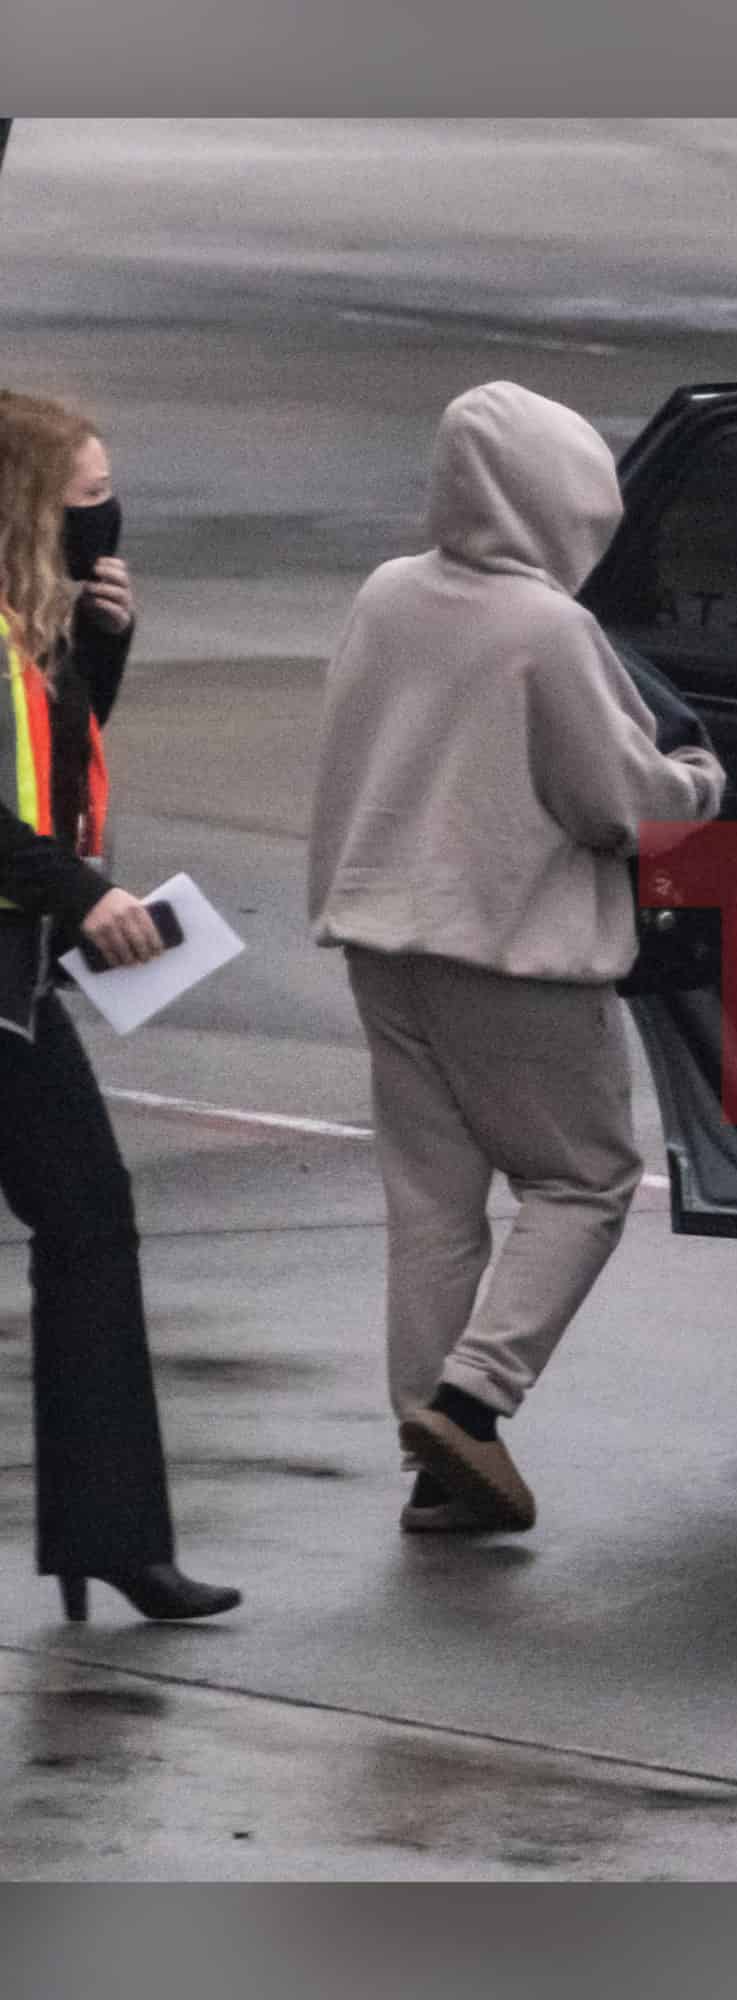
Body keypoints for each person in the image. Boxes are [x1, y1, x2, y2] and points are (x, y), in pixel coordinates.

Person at [308, 380, 725, 1536]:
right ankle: (472, 1400)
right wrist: (698, 782)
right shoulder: (548, 630)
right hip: (513, 947)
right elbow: (619, 805)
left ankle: (436, 1457)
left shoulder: (388, 593)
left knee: (430, 1201)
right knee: (583, 1180)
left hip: (382, 936)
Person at [0, 389, 242, 1623]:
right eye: (85, 501)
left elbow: (45, 770)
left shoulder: (25, 627)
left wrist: (97, 653)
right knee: (88, 1217)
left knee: (91, 1217)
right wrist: (81, 893)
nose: (106, 522)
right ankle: (111, 1537)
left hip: (13, 986)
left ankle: (111, 1535)